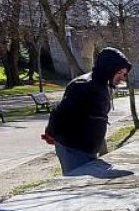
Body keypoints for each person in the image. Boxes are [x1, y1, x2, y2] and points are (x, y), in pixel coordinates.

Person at [42, 47, 132, 176]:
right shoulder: (83, 85)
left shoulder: (102, 85)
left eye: (124, 74)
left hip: (87, 149)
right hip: (72, 148)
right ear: (108, 68)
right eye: (119, 73)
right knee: (79, 183)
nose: (122, 78)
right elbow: (59, 113)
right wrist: (50, 133)